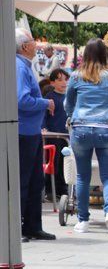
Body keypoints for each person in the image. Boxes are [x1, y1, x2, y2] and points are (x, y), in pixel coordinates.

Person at [64, 39, 108, 237]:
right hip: (107, 128)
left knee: (82, 176)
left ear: (85, 54)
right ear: (105, 54)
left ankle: (83, 220)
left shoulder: (75, 76)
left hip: (81, 128)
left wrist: (73, 116)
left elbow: (68, 103)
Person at [15, 28, 56, 241]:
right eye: (33, 41)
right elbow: (21, 100)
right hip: (23, 133)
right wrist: (45, 102)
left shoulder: (24, 66)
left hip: (30, 132)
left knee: (34, 180)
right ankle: (18, 227)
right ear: (24, 46)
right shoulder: (19, 67)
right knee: (22, 180)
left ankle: (32, 225)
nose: (36, 45)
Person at [42, 68, 70, 200]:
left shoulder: (70, 97)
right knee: (54, 162)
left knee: (66, 163)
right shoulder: (49, 98)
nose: (64, 82)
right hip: (53, 135)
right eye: (59, 80)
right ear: (52, 83)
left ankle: (64, 189)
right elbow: (43, 115)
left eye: (65, 79)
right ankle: (50, 190)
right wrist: (44, 127)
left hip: (67, 136)